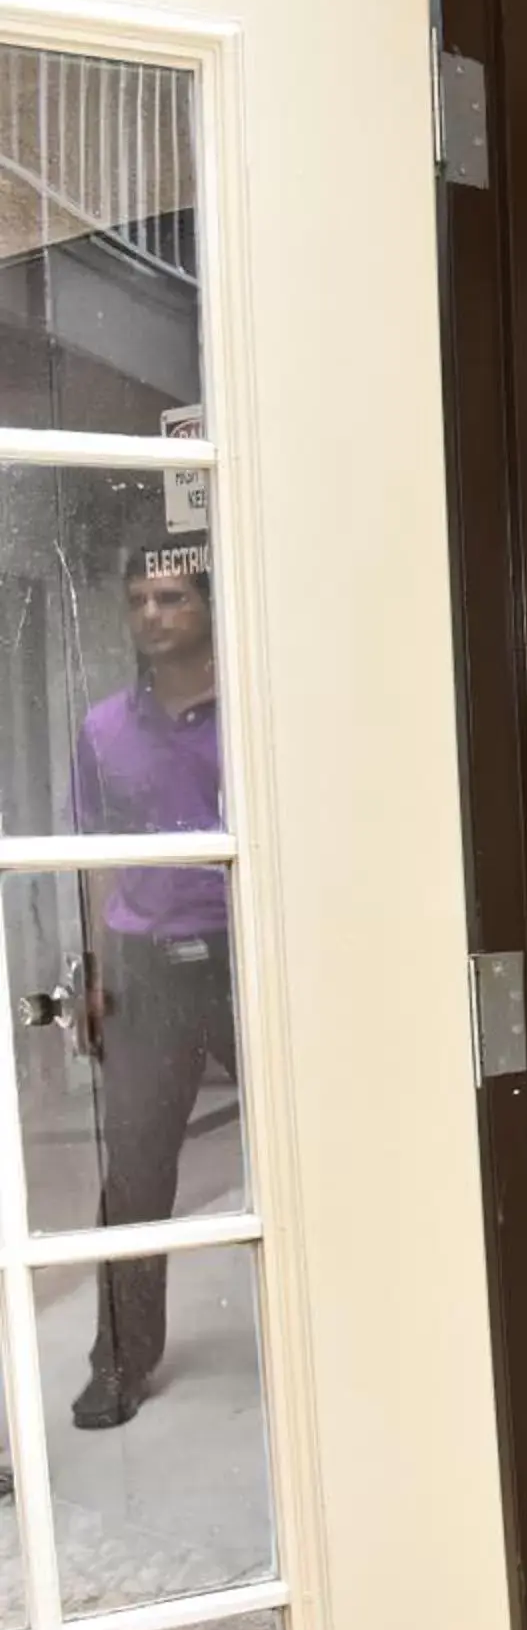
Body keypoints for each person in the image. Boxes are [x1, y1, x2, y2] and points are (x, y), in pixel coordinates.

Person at [63, 531, 231, 1430]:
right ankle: (119, 1363)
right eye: (138, 600)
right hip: (145, 970)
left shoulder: (252, 712)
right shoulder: (102, 729)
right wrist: (92, 974)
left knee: (310, 1144)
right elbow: (93, 858)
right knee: (132, 1173)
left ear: (208, 608)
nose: (153, 615)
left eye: (172, 598)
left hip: (247, 965)